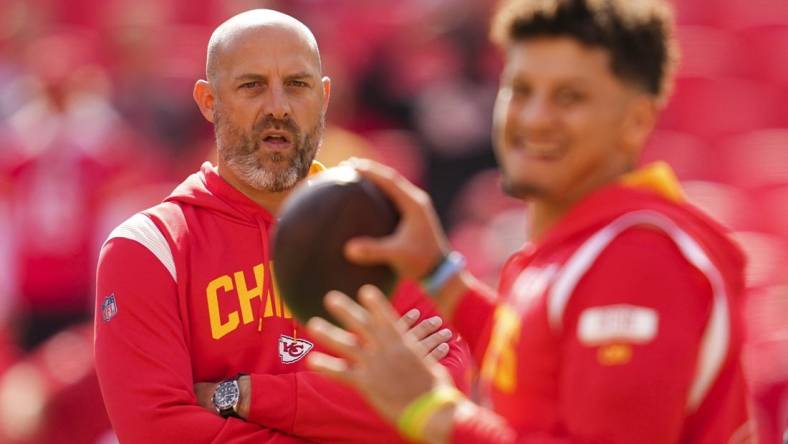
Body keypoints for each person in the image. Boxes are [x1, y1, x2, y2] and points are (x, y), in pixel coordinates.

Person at [304, 0, 754, 443]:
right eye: (520, 89)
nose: (535, 118)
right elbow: (537, 380)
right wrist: (438, 272)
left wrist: (432, 410)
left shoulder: (637, 257)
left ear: (635, 122)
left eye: (569, 97)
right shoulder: (589, 244)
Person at [94, 9, 470, 444]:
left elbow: (447, 393)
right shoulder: (147, 249)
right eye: (252, 86)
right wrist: (370, 414)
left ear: (324, 97)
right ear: (208, 101)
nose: (278, 107)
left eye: (297, 84)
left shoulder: (386, 229)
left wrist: (244, 395)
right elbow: (157, 432)